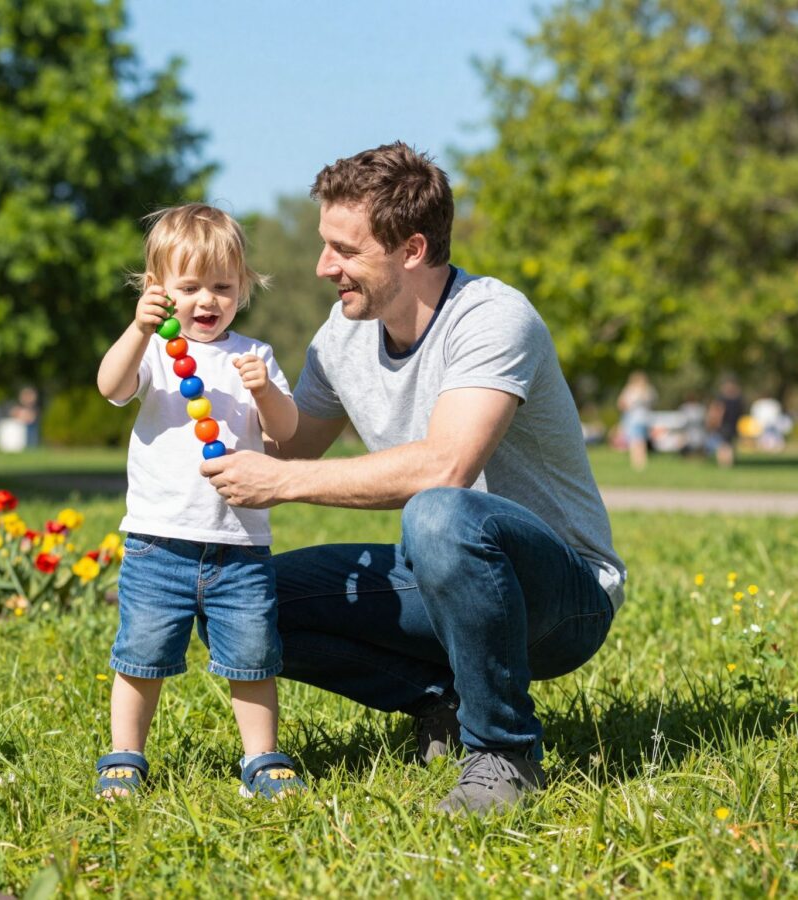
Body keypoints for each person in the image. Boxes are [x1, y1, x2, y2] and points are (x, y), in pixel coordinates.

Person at [200, 143, 626, 815]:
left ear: (413, 250)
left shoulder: (492, 317)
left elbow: (445, 466)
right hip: (442, 575)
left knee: (439, 512)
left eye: (344, 249)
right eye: (324, 245)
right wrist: (180, 368)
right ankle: (445, 706)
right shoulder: (340, 336)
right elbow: (288, 445)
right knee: (239, 606)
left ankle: (504, 753)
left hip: (560, 596)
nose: (322, 267)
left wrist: (279, 483)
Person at [94, 203, 304, 801]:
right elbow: (111, 386)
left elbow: (284, 432)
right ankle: (125, 754)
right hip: (159, 541)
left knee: (254, 657)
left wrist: (264, 393)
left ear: (243, 287)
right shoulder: (155, 351)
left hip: (240, 546)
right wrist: (138, 330)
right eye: (189, 287)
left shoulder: (254, 357)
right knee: (140, 655)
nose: (206, 301)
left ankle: (262, 757)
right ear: (158, 290)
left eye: (222, 286)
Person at [616, 371, 656, 470]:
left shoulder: (641, 391)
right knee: (638, 441)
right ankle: (639, 463)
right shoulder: (640, 391)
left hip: (638, 419)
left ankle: (639, 464)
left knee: (637, 441)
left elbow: (621, 404)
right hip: (638, 419)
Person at [706, 375, 743, 467]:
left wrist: (714, 422)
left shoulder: (722, 398)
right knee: (729, 444)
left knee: (723, 445)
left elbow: (718, 411)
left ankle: (724, 464)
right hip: (733, 425)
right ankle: (729, 463)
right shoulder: (738, 398)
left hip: (725, 425)